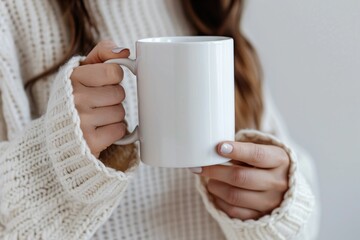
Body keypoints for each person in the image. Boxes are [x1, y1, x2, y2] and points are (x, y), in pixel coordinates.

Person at [0, 0, 319, 239]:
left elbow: (309, 219)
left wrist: (276, 209)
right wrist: (57, 156)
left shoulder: (209, 10)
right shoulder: (13, 13)